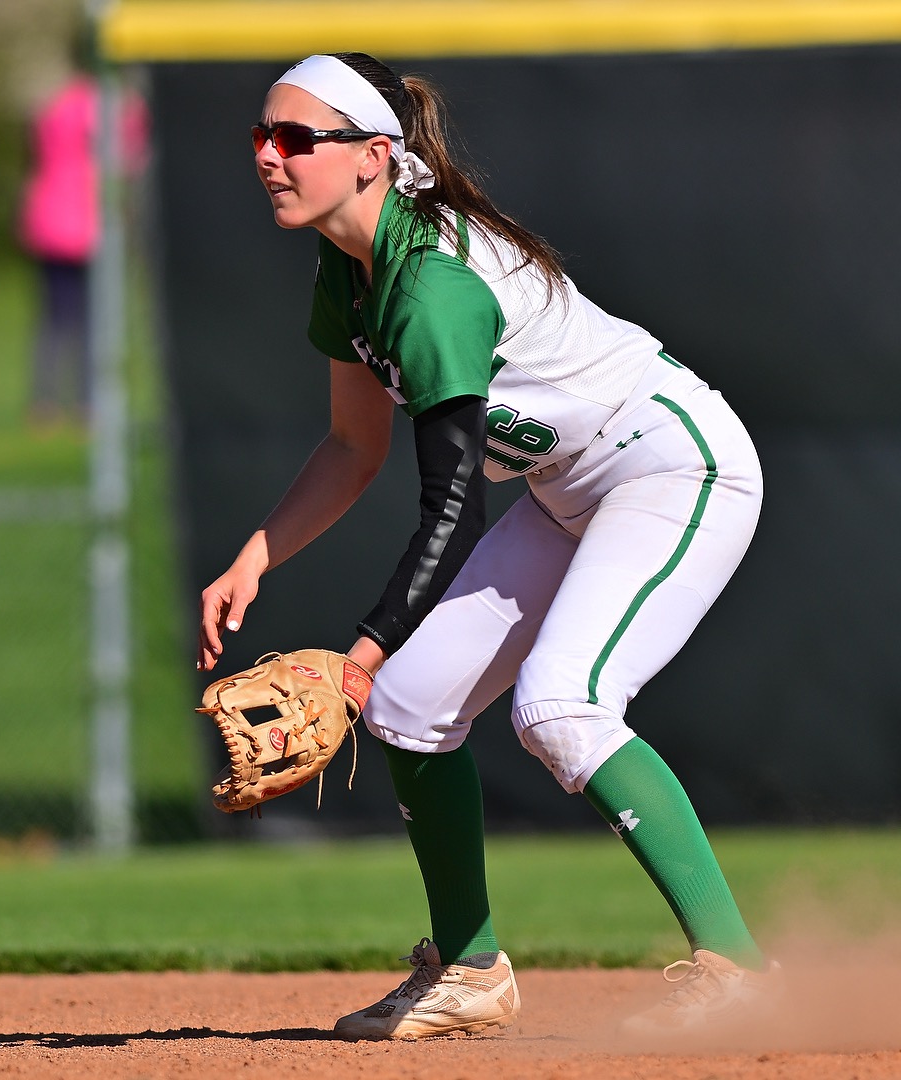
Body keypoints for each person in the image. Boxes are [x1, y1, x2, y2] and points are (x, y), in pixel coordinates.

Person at [196, 52, 771, 1040]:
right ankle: (469, 970)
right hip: (565, 491)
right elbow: (350, 447)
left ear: (376, 155)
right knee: (413, 711)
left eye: (295, 139)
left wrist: (356, 660)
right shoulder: (350, 268)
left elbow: (451, 508)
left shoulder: (431, 290)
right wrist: (258, 553)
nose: (269, 157)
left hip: (672, 466)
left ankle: (742, 971)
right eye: (261, 136)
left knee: (563, 705)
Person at [17, 51, 144, 428]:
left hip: (48, 217)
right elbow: (129, 160)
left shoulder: (55, 104)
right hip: (90, 223)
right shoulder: (118, 107)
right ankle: (88, 404)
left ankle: (44, 405)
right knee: (92, 320)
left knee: (54, 318)